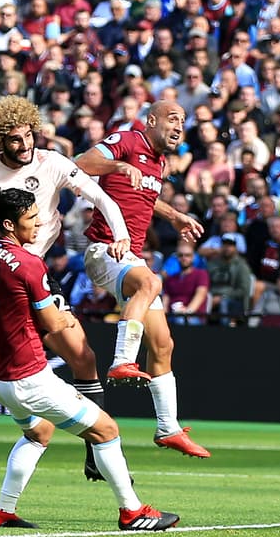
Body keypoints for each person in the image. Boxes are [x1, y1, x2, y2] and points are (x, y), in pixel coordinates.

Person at [0, 188, 178, 531]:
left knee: (39, 433)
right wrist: (66, 319)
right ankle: (133, 512)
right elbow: (51, 323)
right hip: (29, 379)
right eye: (31, 220)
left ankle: (3, 511)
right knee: (107, 430)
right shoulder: (29, 264)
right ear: (8, 224)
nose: (39, 225)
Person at [0, 96, 131, 488]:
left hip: (36, 268)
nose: (25, 144)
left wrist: (122, 234)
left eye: (28, 135)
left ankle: (96, 449)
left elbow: (100, 197)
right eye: (15, 139)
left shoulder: (53, 163)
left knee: (84, 356)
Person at [75, 100, 211, 460]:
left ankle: (168, 427)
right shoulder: (127, 140)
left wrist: (175, 216)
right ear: (151, 121)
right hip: (104, 249)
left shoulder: (159, 161)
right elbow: (80, 165)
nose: (179, 125)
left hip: (129, 255)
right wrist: (118, 163)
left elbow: (146, 199)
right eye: (172, 118)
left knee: (164, 345)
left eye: (183, 120)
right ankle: (121, 360)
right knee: (151, 282)